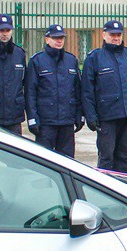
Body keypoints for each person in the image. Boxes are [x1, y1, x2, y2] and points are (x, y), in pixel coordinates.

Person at [81, 20, 127, 173]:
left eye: (119, 35)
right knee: (106, 158)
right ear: (104, 35)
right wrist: (90, 115)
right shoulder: (95, 58)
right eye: (112, 35)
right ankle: (105, 191)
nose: (116, 38)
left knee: (125, 157)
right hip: (107, 116)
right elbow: (87, 90)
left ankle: (122, 190)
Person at [25, 24, 83, 157]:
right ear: (47, 39)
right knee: (44, 161)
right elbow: (30, 93)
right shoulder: (37, 61)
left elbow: (77, 90)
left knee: (67, 162)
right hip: (46, 122)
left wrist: (80, 115)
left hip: (66, 121)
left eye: (62, 38)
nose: (59, 41)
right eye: (55, 38)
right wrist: (33, 119)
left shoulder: (71, 60)